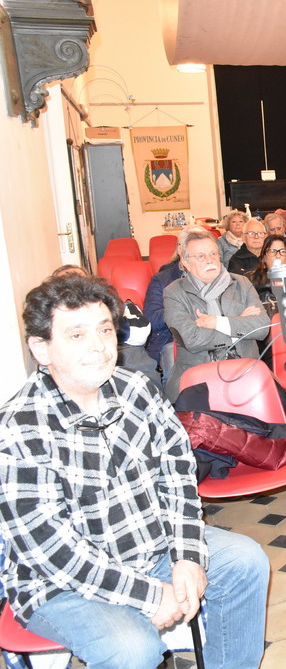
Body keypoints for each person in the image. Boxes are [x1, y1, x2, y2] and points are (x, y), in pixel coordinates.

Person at [0, 273, 269, 668]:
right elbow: (51, 550)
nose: (98, 346)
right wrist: (149, 594)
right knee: (133, 648)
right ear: (41, 349)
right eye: (77, 335)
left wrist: (187, 555)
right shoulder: (19, 428)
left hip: (151, 547)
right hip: (62, 583)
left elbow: (178, 476)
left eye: (105, 330)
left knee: (246, 563)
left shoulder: (137, 390)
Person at [162, 230, 270, 402]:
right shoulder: (174, 292)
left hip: (246, 371)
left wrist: (216, 322)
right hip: (199, 377)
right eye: (201, 256)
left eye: (213, 254)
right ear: (185, 262)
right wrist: (239, 325)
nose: (209, 260)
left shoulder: (241, 283)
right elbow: (191, 339)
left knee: (277, 407)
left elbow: (262, 328)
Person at [144, 225, 207, 382]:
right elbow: (152, 319)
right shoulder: (162, 279)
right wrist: (184, 310)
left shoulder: (217, 276)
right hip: (171, 338)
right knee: (178, 377)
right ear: (181, 251)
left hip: (210, 335)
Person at [247, 234, 286, 309]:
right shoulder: (250, 280)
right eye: (273, 251)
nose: (278, 256)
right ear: (264, 257)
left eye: (282, 251)